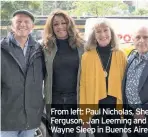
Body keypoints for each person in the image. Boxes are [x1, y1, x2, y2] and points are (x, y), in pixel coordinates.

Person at [80, 18, 127, 137]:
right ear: (94, 36)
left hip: (117, 108)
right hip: (96, 108)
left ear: (111, 33)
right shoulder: (86, 57)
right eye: (98, 31)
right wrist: (84, 116)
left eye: (105, 30)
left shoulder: (121, 55)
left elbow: (126, 85)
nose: (103, 34)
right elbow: (83, 87)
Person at [1, 10, 45, 137]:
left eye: (26, 22)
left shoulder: (40, 50)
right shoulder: (2, 49)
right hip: (5, 120)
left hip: (30, 119)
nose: (22, 24)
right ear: (12, 26)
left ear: (33, 27)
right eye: (18, 21)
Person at [42, 9, 84, 137]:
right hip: (55, 100)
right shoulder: (45, 48)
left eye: (63, 23)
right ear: (51, 27)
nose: (60, 26)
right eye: (55, 24)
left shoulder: (82, 46)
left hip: (75, 100)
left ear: (69, 24)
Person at [122, 26, 148, 137]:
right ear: (133, 40)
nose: (141, 40)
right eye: (138, 37)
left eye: (145, 37)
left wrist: (144, 110)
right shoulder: (130, 59)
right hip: (131, 119)